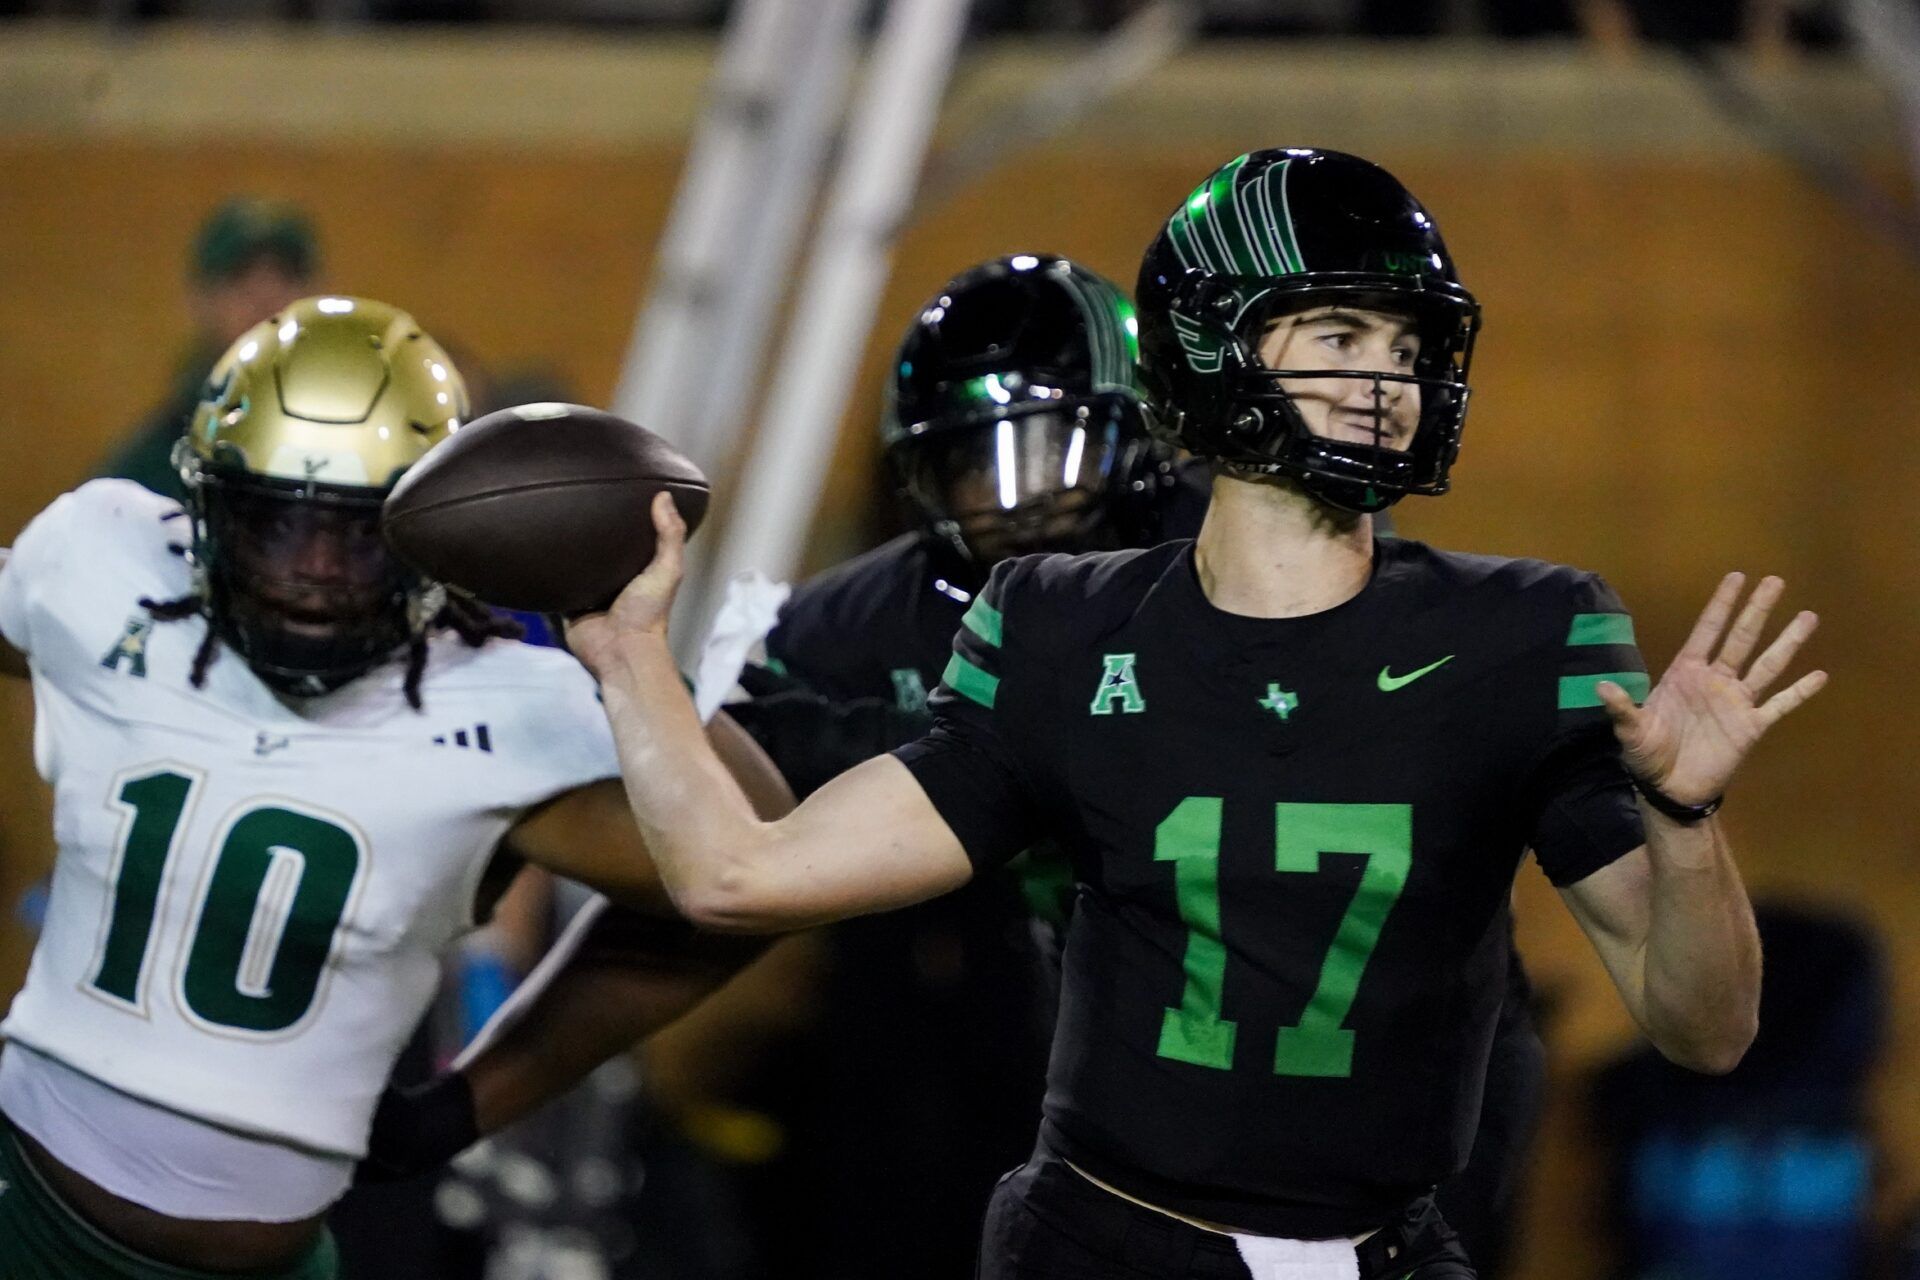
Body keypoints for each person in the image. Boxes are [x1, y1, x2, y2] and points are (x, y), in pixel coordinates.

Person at [563, 149, 1827, 1279]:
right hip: (1113, 1242)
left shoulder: (1524, 633)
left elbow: (1704, 1027)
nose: (1383, 380)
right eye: (1337, 335)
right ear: (1209, 349)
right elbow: (736, 875)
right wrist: (628, 653)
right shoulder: (1059, 627)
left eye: (1405, 346)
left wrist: (1685, 812)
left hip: (1395, 1244)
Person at [0, 295, 788, 1280]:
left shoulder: (504, 695)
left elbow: (758, 864)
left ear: (443, 535)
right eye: (276, 525)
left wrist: (620, 646)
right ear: (204, 510)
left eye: (360, 533)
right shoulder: (108, 562)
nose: (316, 572)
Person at [95, 197, 322, 502]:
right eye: (240, 279)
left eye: (286, 278)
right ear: (200, 301)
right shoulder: (153, 464)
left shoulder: (362, 442)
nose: (266, 297)